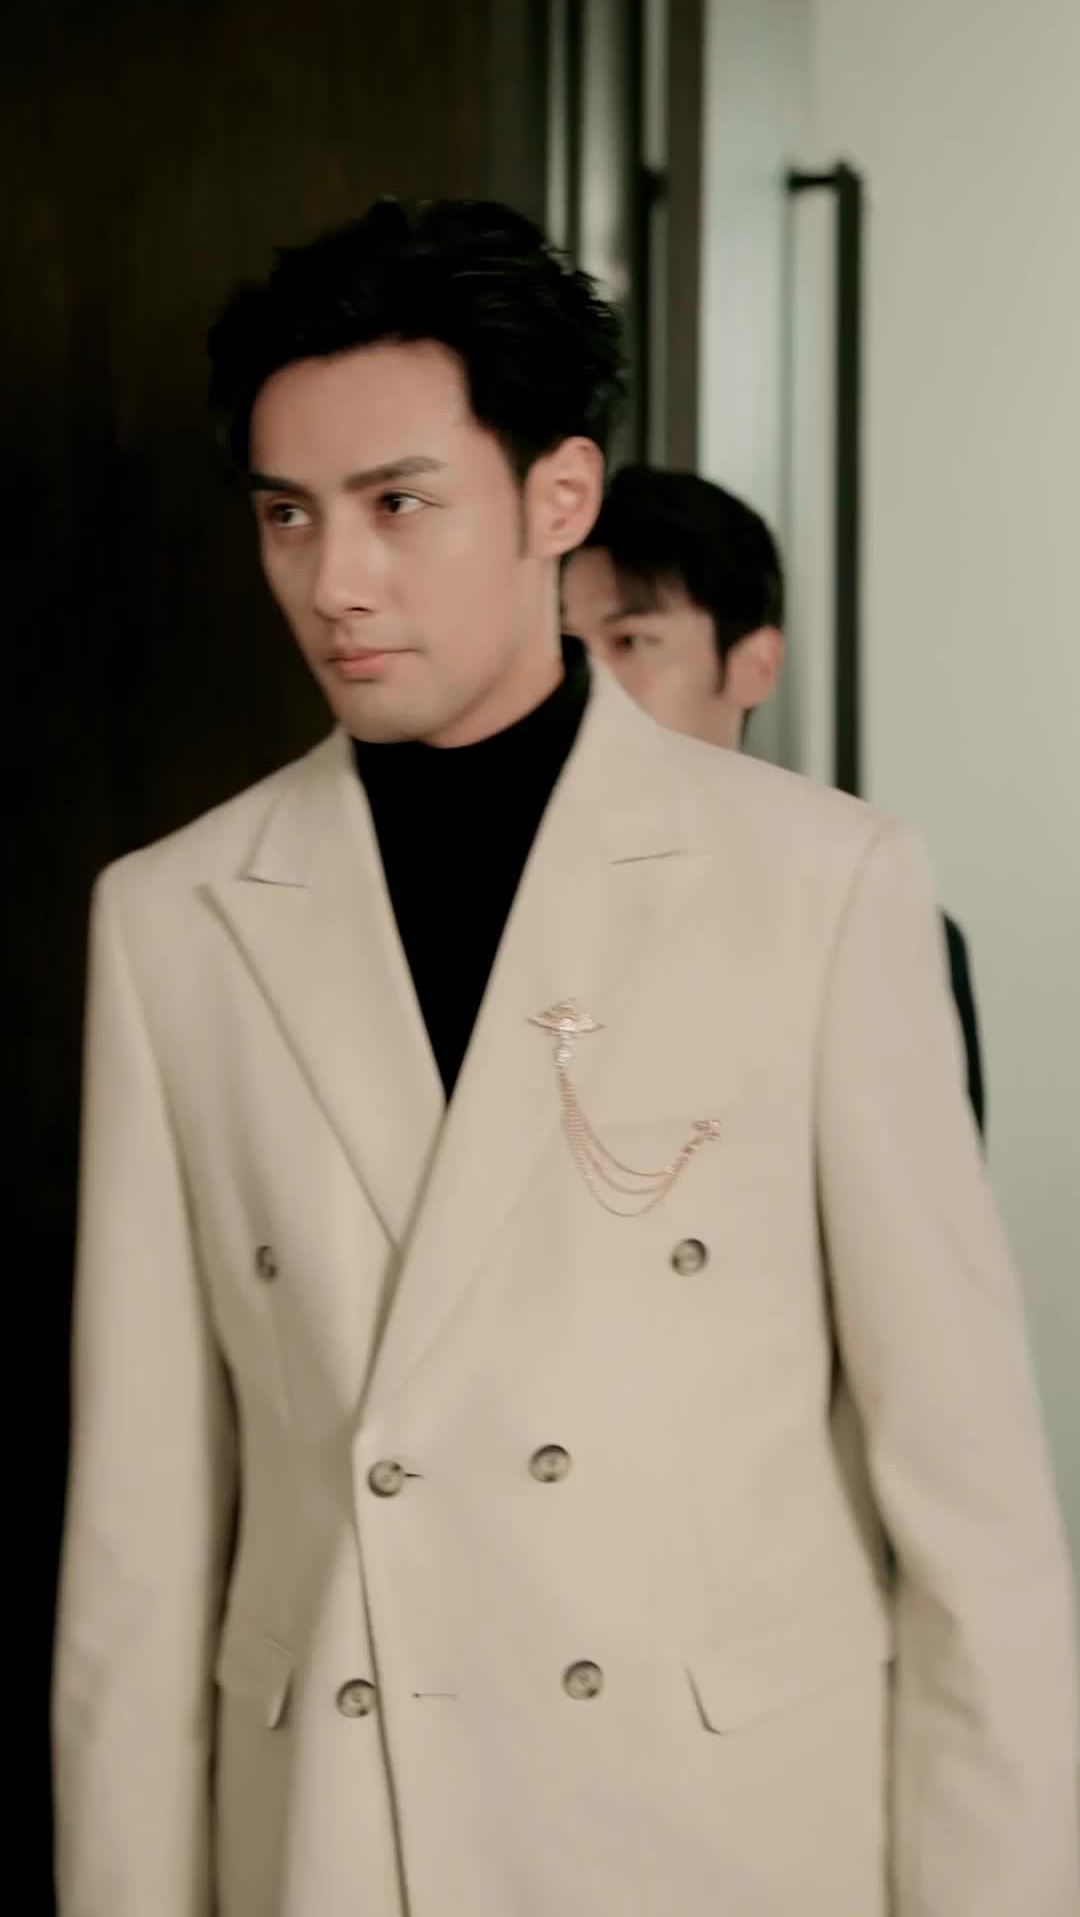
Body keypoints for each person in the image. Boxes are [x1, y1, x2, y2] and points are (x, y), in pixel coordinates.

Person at [52, 199, 1077, 1917]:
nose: (333, 579)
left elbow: (975, 1522)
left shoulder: (821, 886)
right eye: (288, 514)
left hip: (720, 1844)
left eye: (397, 504)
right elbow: (138, 1558)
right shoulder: (173, 921)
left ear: (560, 498)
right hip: (341, 1843)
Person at [563, 465, 987, 1129]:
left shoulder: (857, 924)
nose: (588, 681)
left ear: (754, 666)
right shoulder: (498, 889)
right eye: (565, 645)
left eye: (631, 642)